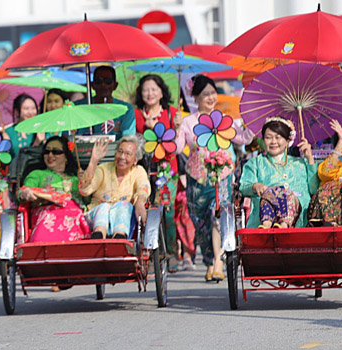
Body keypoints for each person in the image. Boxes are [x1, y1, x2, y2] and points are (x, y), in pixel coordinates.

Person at [176, 75, 254, 282]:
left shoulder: (223, 119)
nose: (210, 97)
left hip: (223, 177)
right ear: (196, 97)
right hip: (197, 179)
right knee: (200, 222)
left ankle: (219, 262)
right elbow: (175, 148)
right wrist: (175, 128)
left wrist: (252, 123)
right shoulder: (188, 121)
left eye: (212, 93)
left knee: (217, 217)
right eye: (205, 94)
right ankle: (210, 261)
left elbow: (244, 139)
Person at [135, 74, 185, 270]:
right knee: (144, 210)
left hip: (167, 170)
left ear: (162, 92)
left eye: (154, 89)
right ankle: (146, 253)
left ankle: (171, 252)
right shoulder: (136, 114)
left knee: (167, 210)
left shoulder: (172, 113)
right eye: (146, 89)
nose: (150, 93)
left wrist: (178, 128)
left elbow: (176, 145)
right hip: (143, 169)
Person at [238, 118, 319, 229]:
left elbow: (314, 189)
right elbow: (243, 187)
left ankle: (284, 225)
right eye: (268, 137)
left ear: (287, 141)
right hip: (264, 220)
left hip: (299, 222)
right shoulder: (256, 163)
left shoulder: (300, 163)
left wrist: (310, 159)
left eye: (278, 137)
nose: (273, 142)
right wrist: (255, 186)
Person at [18, 136, 90, 242]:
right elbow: (22, 192)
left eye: (56, 151)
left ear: (66, 157)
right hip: (47, 213)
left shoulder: (75, 179)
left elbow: (87, 202)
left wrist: (85, 182)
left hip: (74, 214)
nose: (50, 155)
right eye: (47, 152)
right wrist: (25, 193)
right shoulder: (37, 174)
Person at [79, 136, 150, 239]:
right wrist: (93, 161)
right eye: (120, 151)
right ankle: (98, 235)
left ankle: (119, 237)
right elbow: (85, 190)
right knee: (104, 207)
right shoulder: (103, 169)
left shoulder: (138, 171)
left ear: (135, 160)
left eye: (128, 154)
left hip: (124, 221)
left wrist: (140, 202)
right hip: (96, 218)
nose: (122, 157)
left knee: (123, 205)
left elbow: (143, 187)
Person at [87, 65, 136, 140]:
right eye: (99, 81)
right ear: (92, 85)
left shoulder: (126, 109)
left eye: (108, 81)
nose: (103, 85)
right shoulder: (78, 107)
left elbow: (128, 138)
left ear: (115, 85)